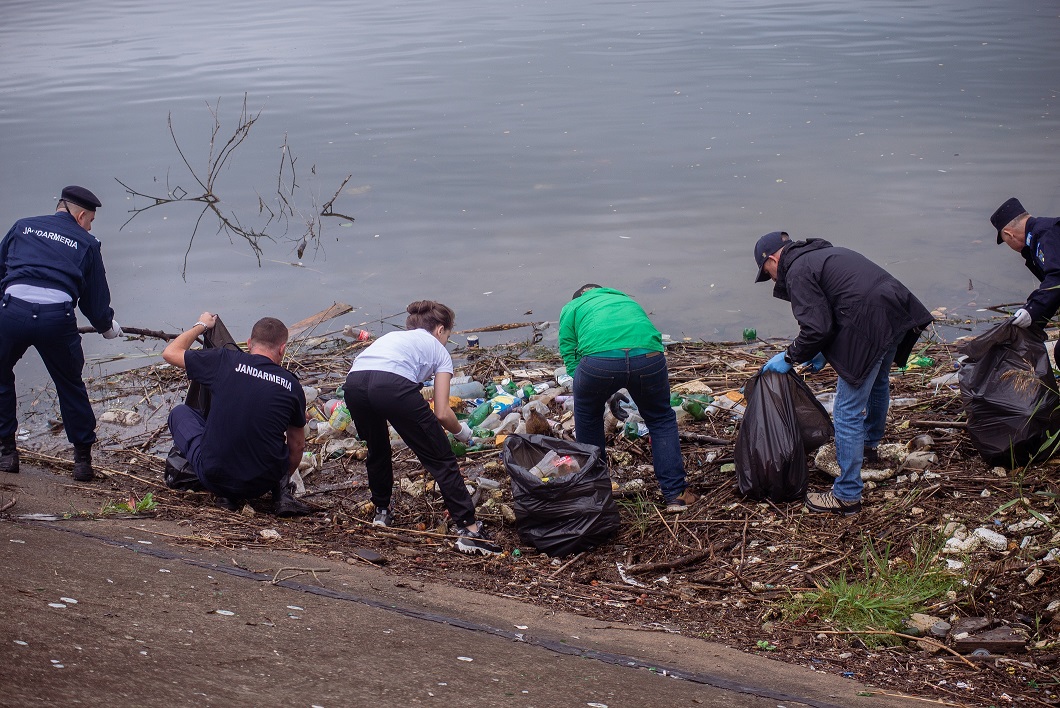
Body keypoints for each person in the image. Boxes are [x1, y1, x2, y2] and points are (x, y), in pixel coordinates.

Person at [753, 231, 932, 515]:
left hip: (872, 322)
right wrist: (821, 352)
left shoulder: (797, 270)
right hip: (896, 310)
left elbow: (816, 328)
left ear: (773, 259)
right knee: (877, 384)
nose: (773, 279)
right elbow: (840, 305)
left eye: (768, 272)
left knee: (847, 409)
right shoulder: (819, 255)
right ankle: (868, 449)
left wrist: (789, 356)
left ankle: (847, 495)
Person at [343, 300, 501, 555]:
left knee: (378, 447)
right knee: (441, 458)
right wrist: (463, 433)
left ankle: (382, 511)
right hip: (391, 385)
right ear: (440, 330)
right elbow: (442, 412)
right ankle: (470, 531)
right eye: (447, 336)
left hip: (355, 383)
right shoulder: (439, 352)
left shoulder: (394, 338)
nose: (446, 341)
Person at [0, 186, 122, 481]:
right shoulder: (88, 243)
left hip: (12, 310)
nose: (91, 226)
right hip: (57, 319)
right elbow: (95, 301)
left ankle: (6, 453)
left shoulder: (22, 226)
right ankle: (82, 461)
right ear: (80, 216)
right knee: (70, 384)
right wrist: (108, 327)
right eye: (90, 220)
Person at [558, 285, 694, 513]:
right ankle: (676, 495)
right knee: (660, 418)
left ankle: (597, 495)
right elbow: (639, 337)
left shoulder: (573, 306)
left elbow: (569, 351)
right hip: (648, 357)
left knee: (588, 418)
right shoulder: (625, 300)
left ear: (579, 296)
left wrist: (588, 385)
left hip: (598, 361)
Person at [163, 312, 311, 516]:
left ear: (249, 343)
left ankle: (226, 493)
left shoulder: (225, 361)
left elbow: (170, 352)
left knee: (180, 413)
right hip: (261, 485)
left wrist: (202, 325)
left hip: (213, 477)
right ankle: (280, 493)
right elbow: (297, 445)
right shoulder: (291, 385)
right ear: (282, 349)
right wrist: (278, 479)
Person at [991, 197, 1060, 345]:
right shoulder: (1036, 241)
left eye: (1005, 240)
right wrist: (1033, 321)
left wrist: (1032, 309)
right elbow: (1054, 293)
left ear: (1009, 234)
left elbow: (1057, 278)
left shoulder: (1047, 234)